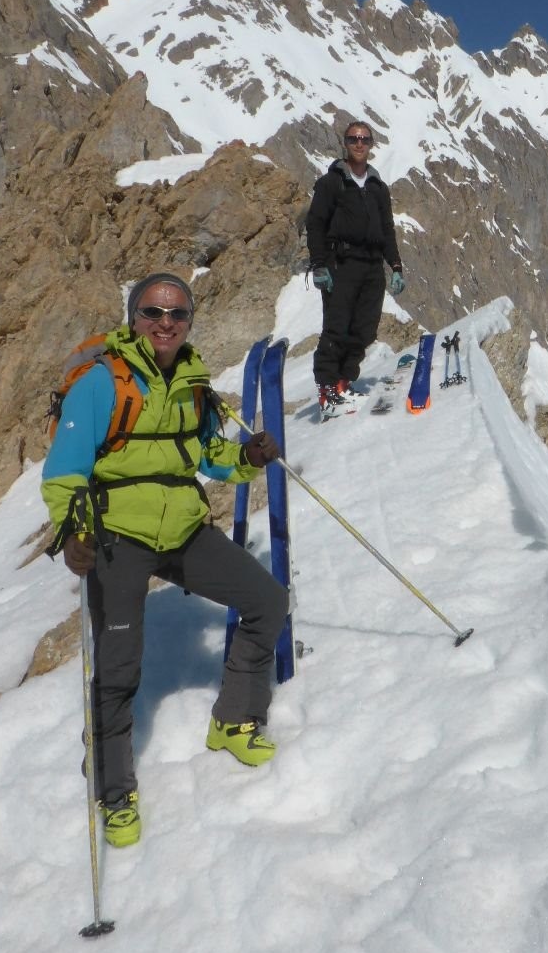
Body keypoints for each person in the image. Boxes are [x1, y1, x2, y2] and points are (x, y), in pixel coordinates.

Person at [42, 272, 288, 849]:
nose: (165, 322)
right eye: (153, 311)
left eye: (177, 313)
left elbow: (208, 455)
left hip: (182, 528)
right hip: (117, 535)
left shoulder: (194, 383)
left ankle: (234, 719)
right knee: (119, 665)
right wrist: (72, 532)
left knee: (267, 600)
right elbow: (65, 471)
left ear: (190, 322)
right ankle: (113, 787)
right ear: (134, 317)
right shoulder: (102, 383)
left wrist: (248, 458)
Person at [304, 120, 406, 415]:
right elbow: (316, 224)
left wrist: (395, 266)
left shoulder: (377, 187)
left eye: (364, 139)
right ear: (345, 143)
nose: (359, 144)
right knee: (337, 327)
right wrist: (319, 264)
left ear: (371, 144)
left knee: (365, 329)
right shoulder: (331, 183)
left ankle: (343, 384)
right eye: (353, 139)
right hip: (342, 263)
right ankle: (327, 392)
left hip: (372, 266)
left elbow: (387, 229)